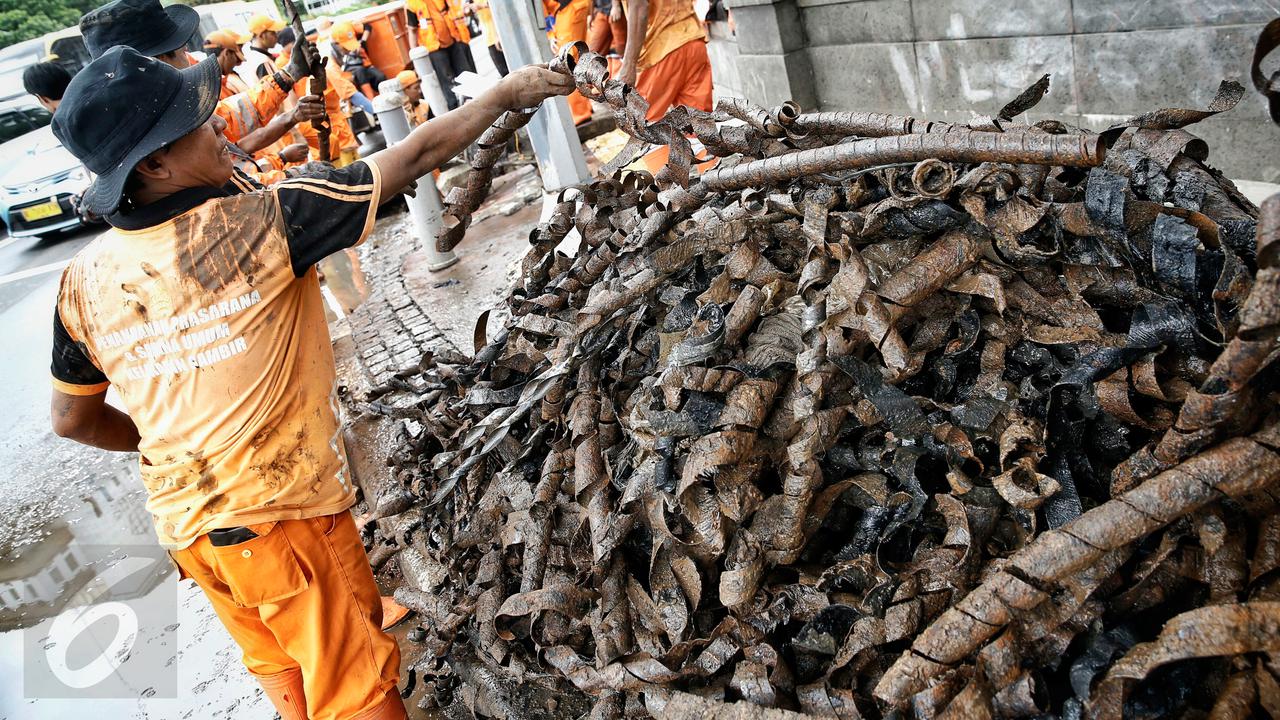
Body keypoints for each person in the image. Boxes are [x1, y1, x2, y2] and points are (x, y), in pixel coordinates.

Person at [48, 45, 572, 720]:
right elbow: (408, 159)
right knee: (356, 693)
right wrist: (505, 95)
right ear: (154, 165)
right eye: (198, 123)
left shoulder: (80, 283)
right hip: (283, 521)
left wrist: (176, 451)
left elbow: (72, 420)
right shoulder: (265, 223)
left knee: (284, 670)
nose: (219, 128)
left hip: (190, 534)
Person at [80, 0, 324, 176]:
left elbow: (231, 115)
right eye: (181, 50)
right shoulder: (169, 133)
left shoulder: (150, 115)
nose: (188, 55)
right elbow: (242, 184)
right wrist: (297, 176)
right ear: (160, 63)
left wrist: (288, 75)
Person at [618, 0, 712, 121]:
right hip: (693, 40)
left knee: (642, 124)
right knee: (697, 125)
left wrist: (628, 65)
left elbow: (639, 7)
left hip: (662, 50)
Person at [403, 0, 470, 110]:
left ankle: (472, 99)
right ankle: (454, 108)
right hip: (434, 47)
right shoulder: (411, 4)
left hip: (452, 39)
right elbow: (412, 30)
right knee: (446, 81)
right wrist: (415, 56)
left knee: (464, 73)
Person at [544, 0, 593, 125]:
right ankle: (586, 106)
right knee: (579, 57)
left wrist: (550, 33)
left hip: (567, 12)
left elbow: (541, 11)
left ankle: (580, 113)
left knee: (568, 63)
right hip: (578, 6)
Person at [330, 19, 386, 98]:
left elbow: (367, 26)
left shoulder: (349, 26)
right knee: (360, 72)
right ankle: (371, 102)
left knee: (380, 77)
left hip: (363, 65)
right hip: (348, 72)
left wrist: (362, 41)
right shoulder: (330, 51)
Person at [203, 30, 251, 100]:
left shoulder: (207, 83)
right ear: (227, 53)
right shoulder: (216, 87)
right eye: (235, 55)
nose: (236, 62)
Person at [466, 1, 507, 76]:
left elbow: (499, 4)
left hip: (498, 34)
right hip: (489, 37)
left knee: (510, 73)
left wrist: (497, 34)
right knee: (504, 74)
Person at [244, 14, 285, 80]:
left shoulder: (256, 56)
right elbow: (275, 88)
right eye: (273, 33)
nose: (276, 36)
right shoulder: (262, 60)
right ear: (262, 36)